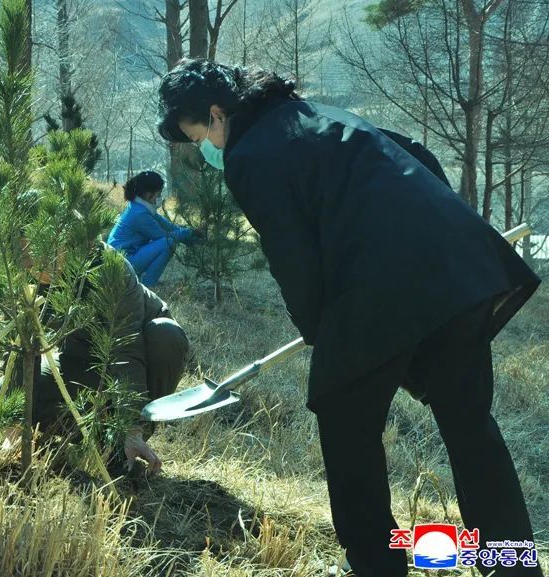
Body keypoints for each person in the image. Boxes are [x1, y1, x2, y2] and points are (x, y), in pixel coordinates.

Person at [156, 58, 542, 577]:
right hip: (455, 271)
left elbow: (292, 256)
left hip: (383, 286)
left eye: (198, 132)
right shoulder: (314, 114)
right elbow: (417, 155)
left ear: (217, 114)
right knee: (469, 425)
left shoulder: (250, 154)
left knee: (345, 424)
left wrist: (320, 330)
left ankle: (376, 565)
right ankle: (512, 566)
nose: (205, 147)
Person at [0, 242, 190, 475]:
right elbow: (22, 348)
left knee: (165, 333)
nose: (31, 268)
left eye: (32, 256)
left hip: (141, 355)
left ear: (63, 238)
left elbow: (126, 350)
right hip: (83, 358)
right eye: (24, 260)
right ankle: (98, 435)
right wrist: (14, 429)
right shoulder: (31, 274)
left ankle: (125, 439)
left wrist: (132, 427)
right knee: (2, 389)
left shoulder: (110, 268)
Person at [106, 171, 197, 286]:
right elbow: (165, 236)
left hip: (125, 259)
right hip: (123, 264)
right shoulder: (140, 215)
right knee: (168, 243)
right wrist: (190, 233)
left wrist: (193, 236)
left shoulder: (140, 207)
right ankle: (147, 286)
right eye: (158, 194)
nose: (159, 198)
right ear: (149, 195)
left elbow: (170, 227)